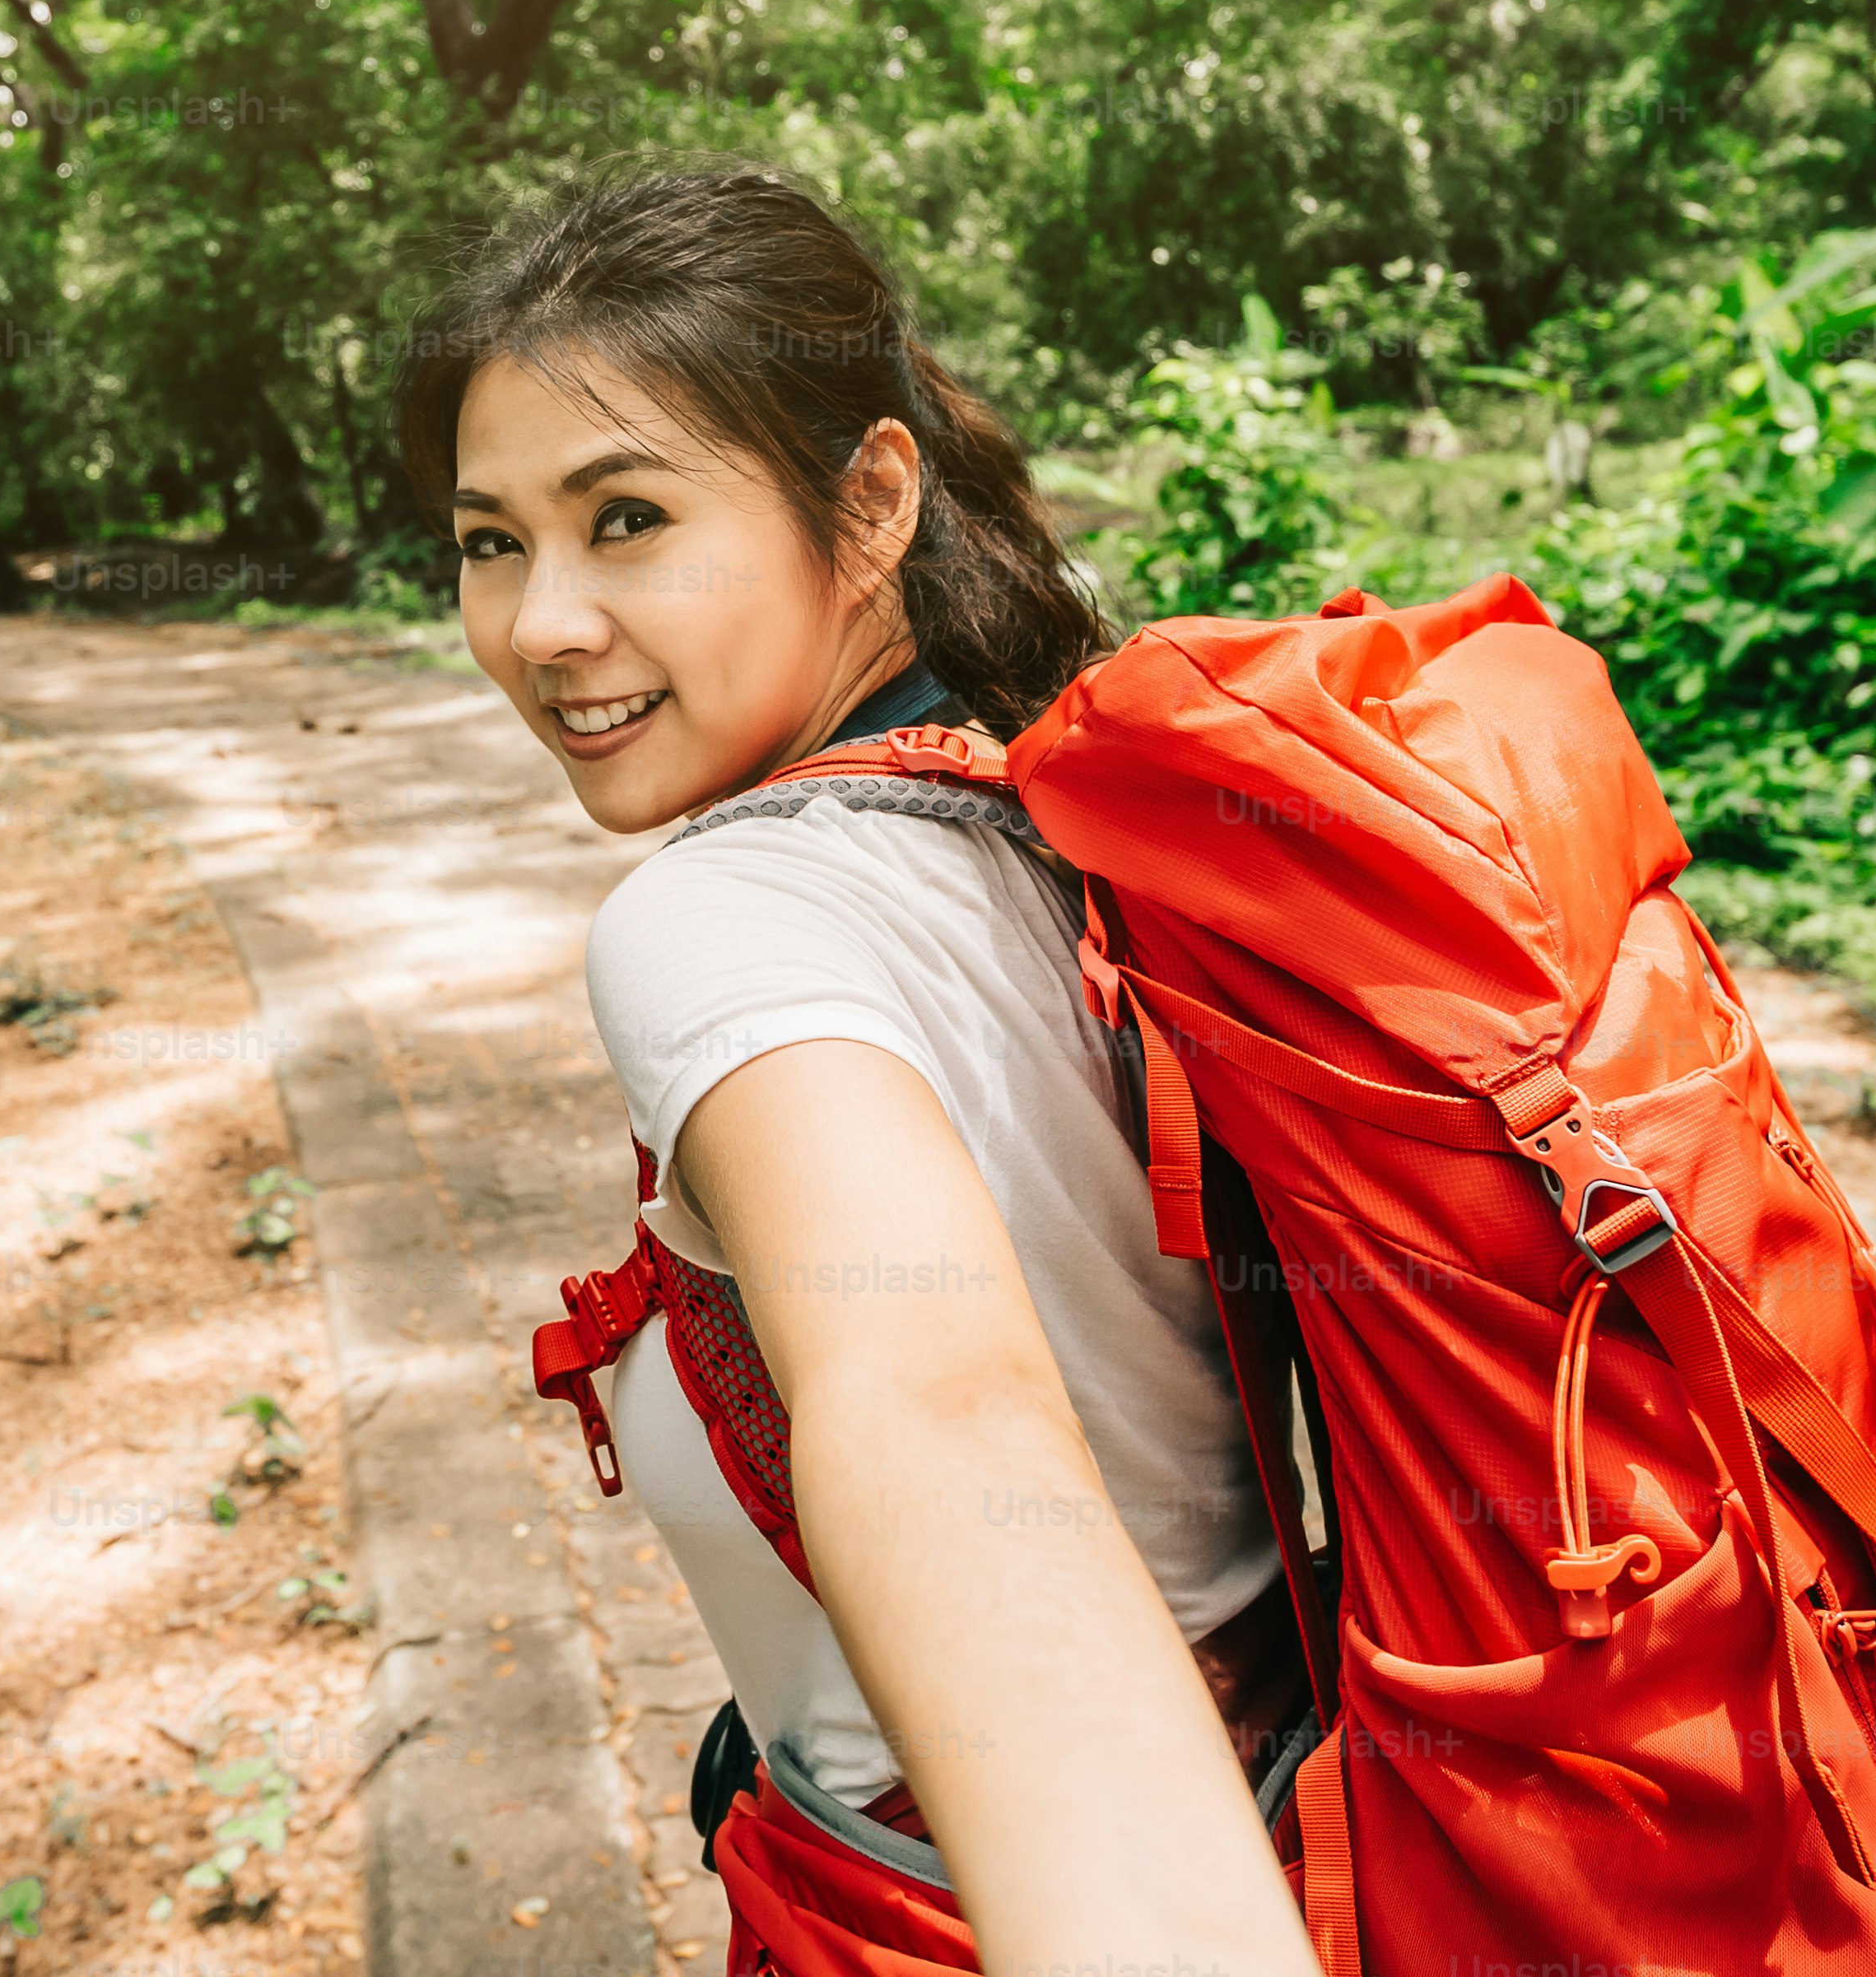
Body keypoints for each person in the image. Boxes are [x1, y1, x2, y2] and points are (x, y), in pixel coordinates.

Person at [398, 167, 1323, 1977]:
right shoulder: (1047, 810)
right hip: (1286, 1810)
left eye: (629, 515)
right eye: (489, 538)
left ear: (874, 497)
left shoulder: (717, 917)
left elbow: (936, 1397)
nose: (540, 623)